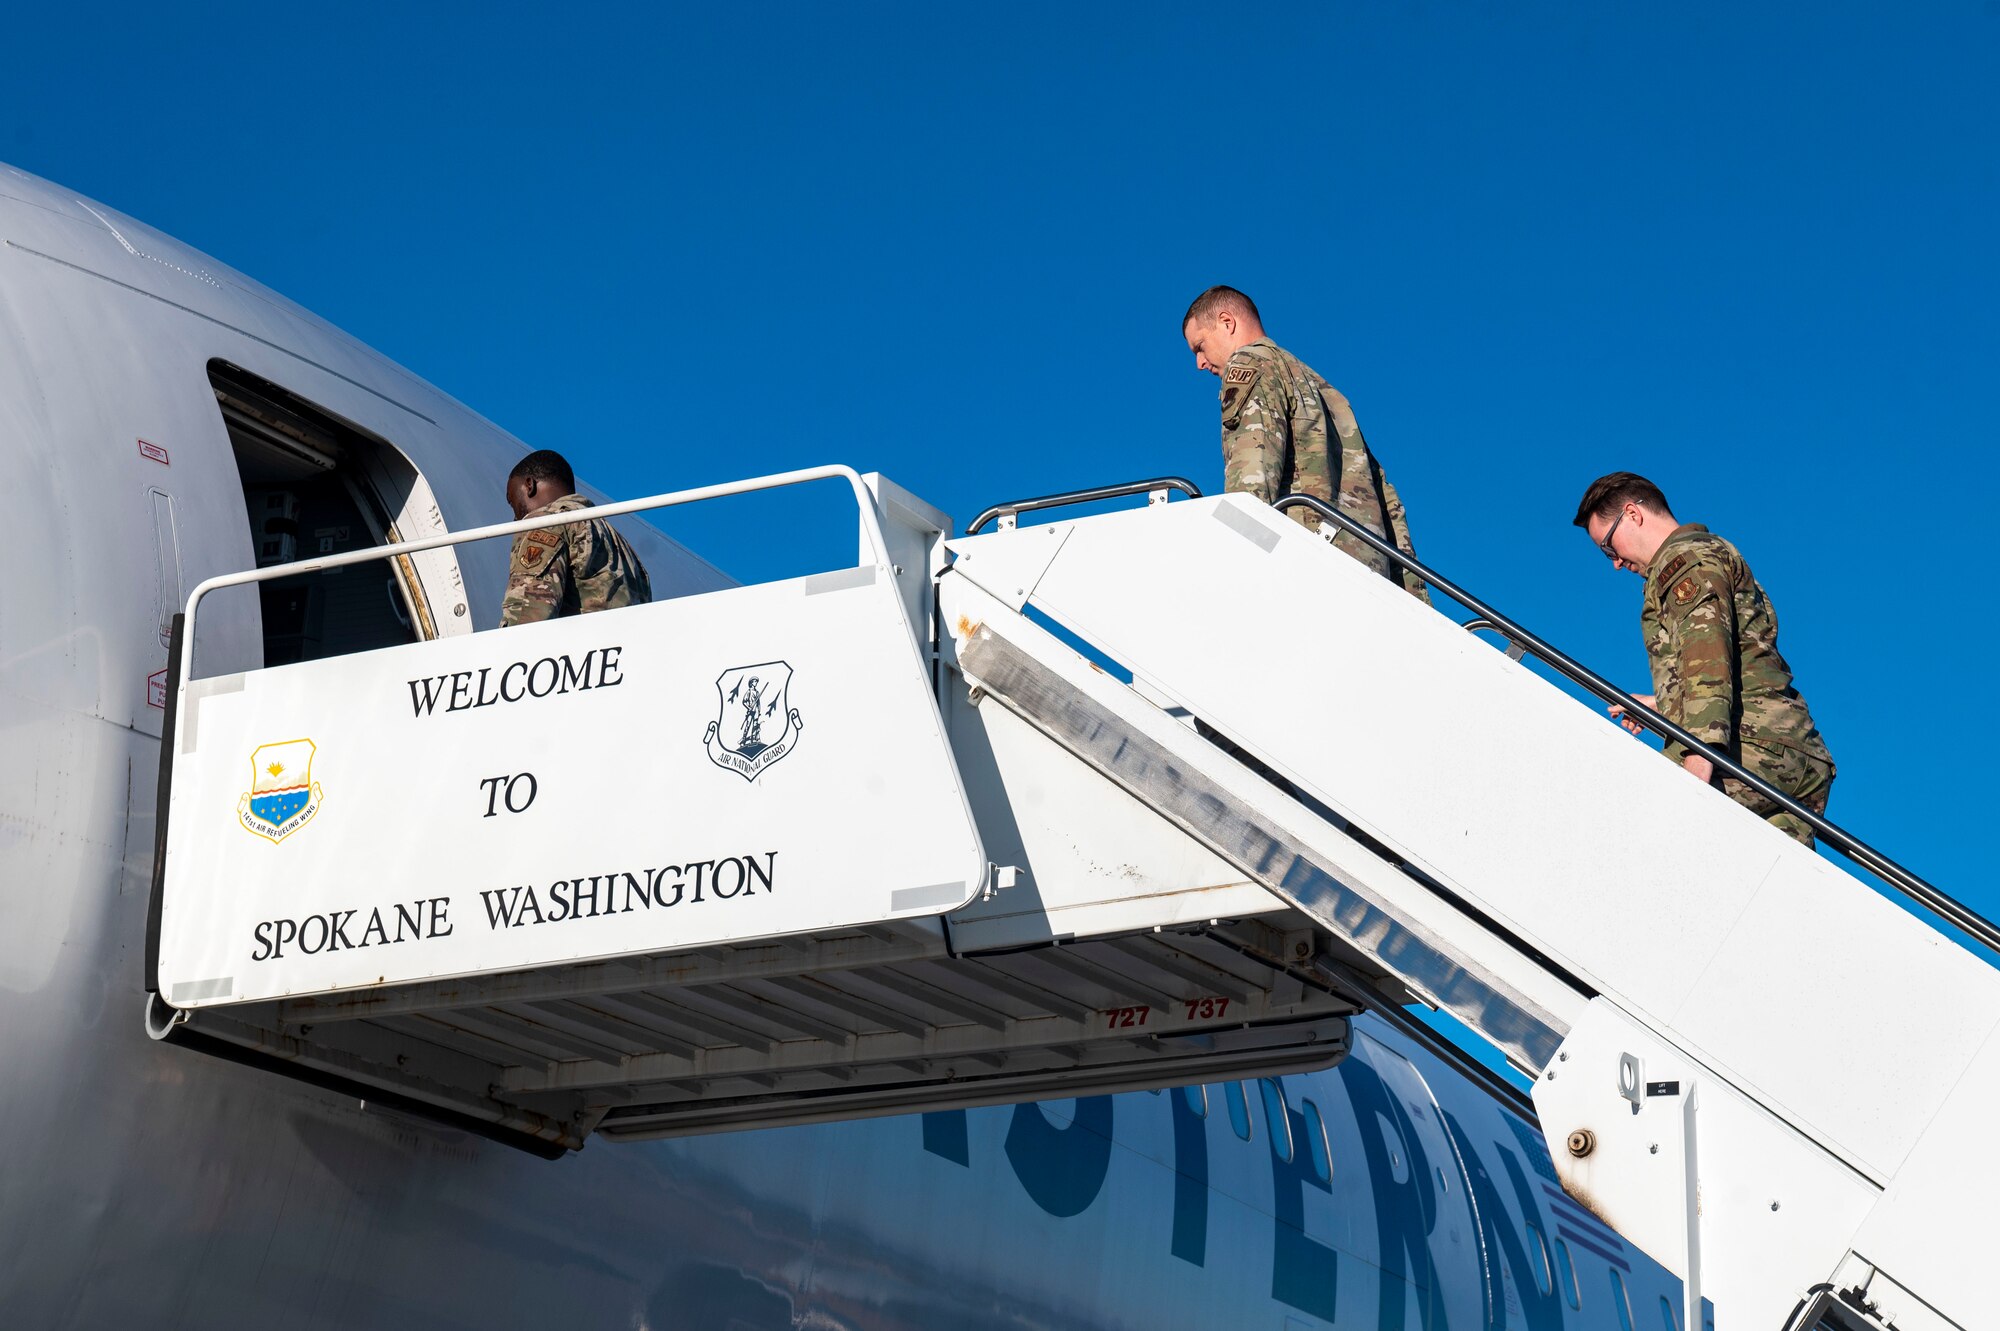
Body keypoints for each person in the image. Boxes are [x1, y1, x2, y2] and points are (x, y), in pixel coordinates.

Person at [1573, 471, 1835, 845]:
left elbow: (1707, 663)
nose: (1614, 562)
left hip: (1751, 750)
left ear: (1632, 513)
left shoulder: (1680, 562)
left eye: (1608, 547)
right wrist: (1661, 707)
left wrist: (1691, 775)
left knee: (1627, 820)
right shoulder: (1710, 550)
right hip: (1792, 753)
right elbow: (1735, 661)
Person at [1181, 285, 1427, 601]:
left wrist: (1231, 566)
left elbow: (1251, 484)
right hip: (1369, 576)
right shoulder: (1329, 395)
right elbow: (1388, 501)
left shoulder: (1248, 363)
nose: (1199, 363)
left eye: (1199, 346)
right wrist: (1413, 598)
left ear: (1227, 322)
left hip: (1308, 566)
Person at [498, 449, 652, 627]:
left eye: (513, 502)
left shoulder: (547, 521)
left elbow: (529, 612)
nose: (515, 517)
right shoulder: (621, 546)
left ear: (529, 486)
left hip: (575, 650)